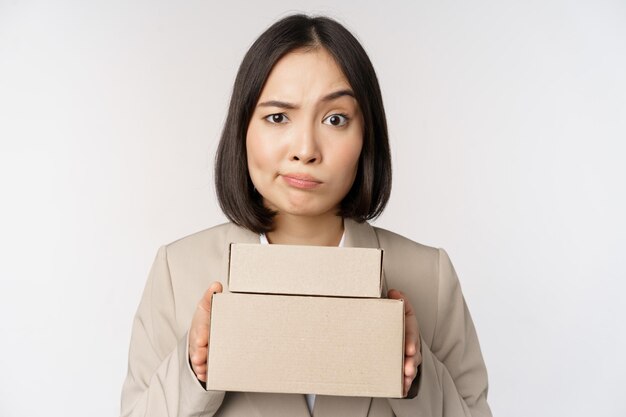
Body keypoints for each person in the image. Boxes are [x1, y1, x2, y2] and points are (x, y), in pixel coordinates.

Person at [120, 14, 491, 417]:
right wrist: (193, 369)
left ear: (366, 136)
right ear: (243, 128)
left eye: (335, 119)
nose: (306, 149)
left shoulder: (428, 275)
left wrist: (417, 376)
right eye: (278, 117)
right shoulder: (179, 270)